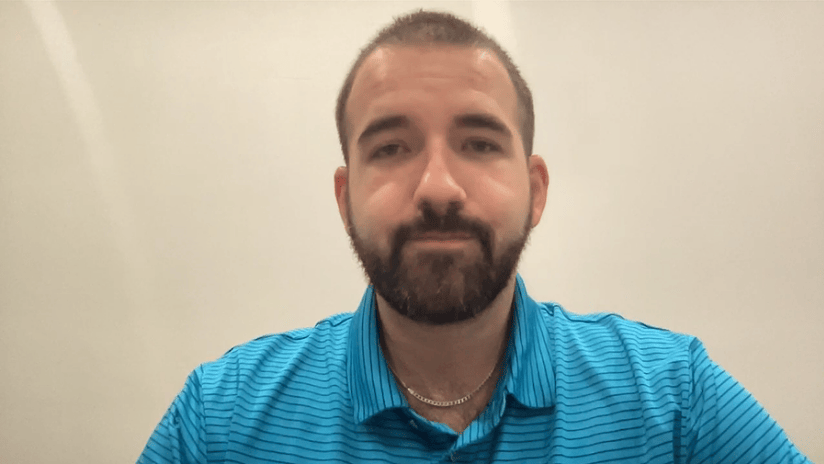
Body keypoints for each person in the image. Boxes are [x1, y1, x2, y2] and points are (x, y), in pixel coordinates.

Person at [138, 10, 810, 463]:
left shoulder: (673, 406)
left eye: (479, 143)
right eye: (393, 146)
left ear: (535, 189)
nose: (437, 187)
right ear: (345, 199)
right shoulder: (220, 425)